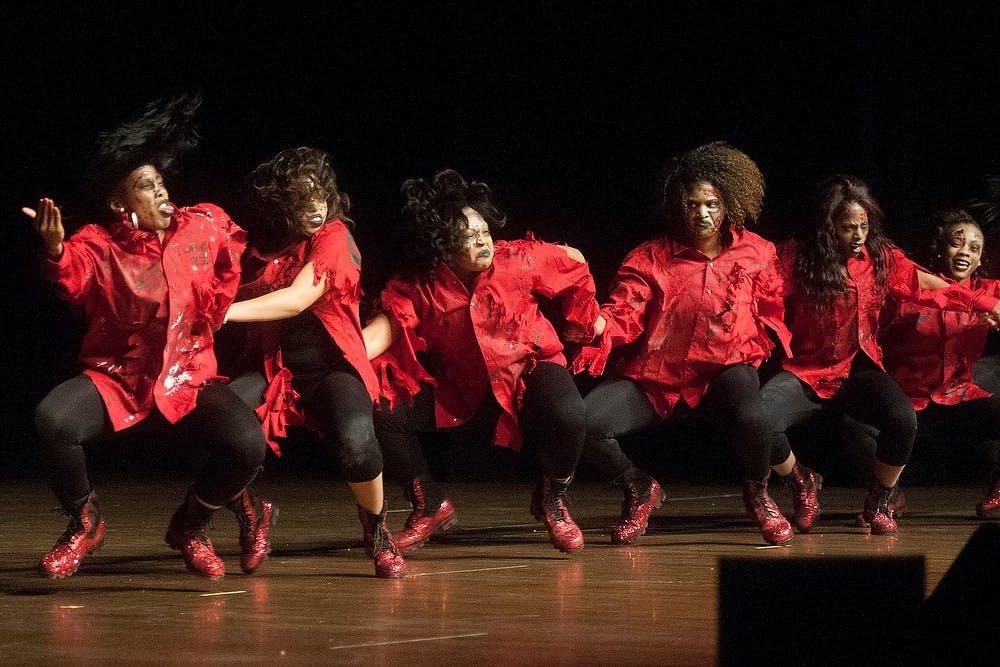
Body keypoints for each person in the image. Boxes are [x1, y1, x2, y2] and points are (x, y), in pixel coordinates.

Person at [24, 94, 274, 580]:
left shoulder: (202, 225)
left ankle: (190, 526)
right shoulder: (98, 244)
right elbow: (70, 276)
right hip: (119, 377)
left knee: (247, 444)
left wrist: (218, 307)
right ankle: (84, 523)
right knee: (53, 420)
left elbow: (233, 258)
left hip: (187, 377)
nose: (161, 192)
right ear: (121, 203)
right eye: (145, 186)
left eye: (160, 182)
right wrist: (55, 249)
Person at [572, 141, 801, 546]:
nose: (703, 214)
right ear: (678, 205)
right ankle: (639, 487)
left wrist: (758, 342)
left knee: (755, 417)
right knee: (583, 423)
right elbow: (626, 309)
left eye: (712, 204)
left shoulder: (758, 251)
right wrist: (597, 323)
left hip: (727, 369)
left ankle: (759, 494)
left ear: (729, 203)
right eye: (693, 204)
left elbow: (771, 304)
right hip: (660, 374)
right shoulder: (650, 257)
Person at [363, 168, 601, 553]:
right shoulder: (419, 286)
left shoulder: (518, 259)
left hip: (529, 370)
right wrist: (342, 356)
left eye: (484, 231)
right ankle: (430, 503)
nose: (482, 241)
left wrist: (586, 317)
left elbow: (573, 260)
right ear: (442, 245)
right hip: (463, 387)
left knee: (571, 414)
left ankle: (552, 498)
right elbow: (382, 331)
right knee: (382, 409)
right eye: (468, 236)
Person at [763, 175, 1000, 535]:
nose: (859, 235)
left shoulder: (881, 258)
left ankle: (880, 499)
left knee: (901, 420)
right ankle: (800, 482)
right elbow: (762, 294)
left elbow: (923, 281)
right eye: (848, 227)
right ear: (828, 228)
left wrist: (981, 302)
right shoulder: (796, 258)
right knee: (757, 419)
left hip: (863, 370)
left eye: (864, 225)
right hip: (810, 371)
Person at [222, 147, 405, 578]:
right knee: (217, 426)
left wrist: (223, 312)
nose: (316, 206)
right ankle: (252, 513)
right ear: (280, 204)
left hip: (331, 368)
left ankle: (376, 530)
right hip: (273, 370)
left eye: (320, 195)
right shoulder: (261, 249)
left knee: (357, 443)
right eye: (302, 199)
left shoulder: (336, 237)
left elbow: (298, 298)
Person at [876, 209, 1000, 517]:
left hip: (961, 396)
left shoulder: (990, 292)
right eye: (957, 243)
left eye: (974, 247)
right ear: (940, 246)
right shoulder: (911, 286)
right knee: (855, 426)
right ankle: (888, 492)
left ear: (981, 257)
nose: (965, 252)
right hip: (914, 400)